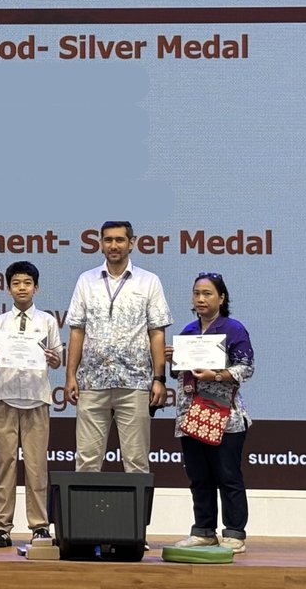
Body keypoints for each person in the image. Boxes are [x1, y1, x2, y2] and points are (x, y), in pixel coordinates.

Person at [65, 220, 171, 473]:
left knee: (136, 463)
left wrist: (159, 378)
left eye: (120, 240)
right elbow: (77, 331)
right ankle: (85, 504)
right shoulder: (86, 280)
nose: (114, 245)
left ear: (131, 243)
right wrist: (70, 375)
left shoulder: (149, 281)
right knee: (87, 462)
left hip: (135, 383)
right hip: (92, 382)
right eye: (109, 240)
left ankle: (137, 504)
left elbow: (157, 333)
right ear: (101, 244)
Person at [167, 272, 255, 554]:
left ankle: (234, 533)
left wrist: (216, 375)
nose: (201, 299)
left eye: (207, 293)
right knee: (199, 476)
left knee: (227, 475)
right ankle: (204, 531)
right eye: (197, 293)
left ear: (221, 298)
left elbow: (246, 368)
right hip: (191, 414)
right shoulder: (188, 331)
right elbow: (180, 374)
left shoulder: (234, 329)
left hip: (225, 416)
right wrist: (173, 359)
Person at [0, 261, 62, 548]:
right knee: (4, 464)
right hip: (5, 397)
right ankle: (2, 526)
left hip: (36, 397)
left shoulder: (48, 321)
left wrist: (55, 359)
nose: (22, 288)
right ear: (8, 289)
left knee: (37, 466)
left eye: (27, 283)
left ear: (36, 287)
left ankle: (39, 526)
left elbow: (57, 359)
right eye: (16, 283)